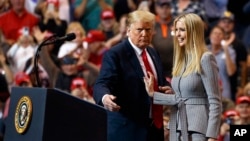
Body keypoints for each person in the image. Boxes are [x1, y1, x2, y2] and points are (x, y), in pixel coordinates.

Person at [93, 10, 171, 141]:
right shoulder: (115, 54)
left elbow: (160, 81)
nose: (144, 34)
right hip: (127, 130)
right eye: (139, 29)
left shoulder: (152, 52)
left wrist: (167, 88)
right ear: (128, 30)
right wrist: (105, 97)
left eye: (148, 29)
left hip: (154, 129)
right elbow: (102, 83)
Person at [144, 13, 222, 141]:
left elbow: (215, 101)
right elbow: (179, 99)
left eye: (182, 30)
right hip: (177, 127)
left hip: (198, 129)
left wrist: (212, 136)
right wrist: (154, 94)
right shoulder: (180, 61)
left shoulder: (206, 58)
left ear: (194, 32)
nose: (178, 34)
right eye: (176, 30)